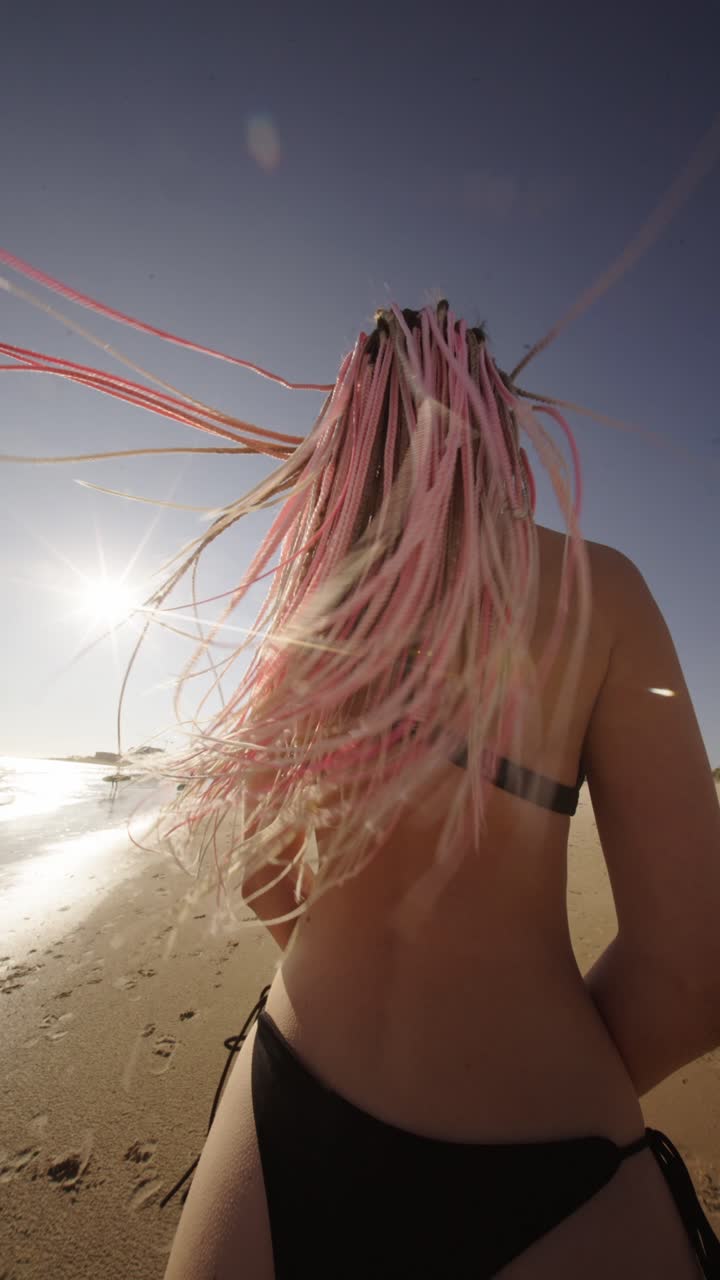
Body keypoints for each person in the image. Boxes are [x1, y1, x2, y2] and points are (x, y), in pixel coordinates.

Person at [155, 302, 720, 1278]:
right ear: (495, 428)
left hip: (286, 1116)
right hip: (556, 1177)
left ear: (352, 426)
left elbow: (264, 870)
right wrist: (539, 1074)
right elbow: (696, 965)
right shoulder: (599, 588)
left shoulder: (317, 606)